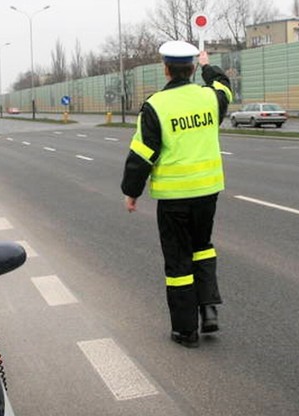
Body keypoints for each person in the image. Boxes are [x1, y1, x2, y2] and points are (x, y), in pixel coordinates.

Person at [120, 40, 233, 348]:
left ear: (166, 69)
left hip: (173, 198)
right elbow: (224, 85)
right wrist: (209, 65)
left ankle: (186, 331)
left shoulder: (156, 105)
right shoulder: (210, 98)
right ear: (193, 68)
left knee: (179, 262)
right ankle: (208, 309)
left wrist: (131, 192)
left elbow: (142, 154)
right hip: (207, 192)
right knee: (203, 247)